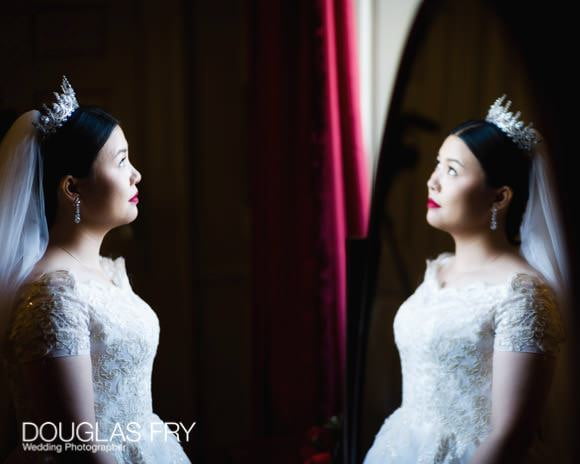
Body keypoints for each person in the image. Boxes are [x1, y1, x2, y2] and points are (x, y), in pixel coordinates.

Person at [363, 95, 571, 463]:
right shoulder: (438, 269)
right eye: (437, 165)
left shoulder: (522, 294)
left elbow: (511, 435)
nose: (433, 182)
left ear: (499, 197)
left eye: (452, 170)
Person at [0, 77, 191, 463]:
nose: (135, 174)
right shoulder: (53, 296)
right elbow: (77, 445)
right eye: (121, 161)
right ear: (72, 188)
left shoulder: (106, 271)